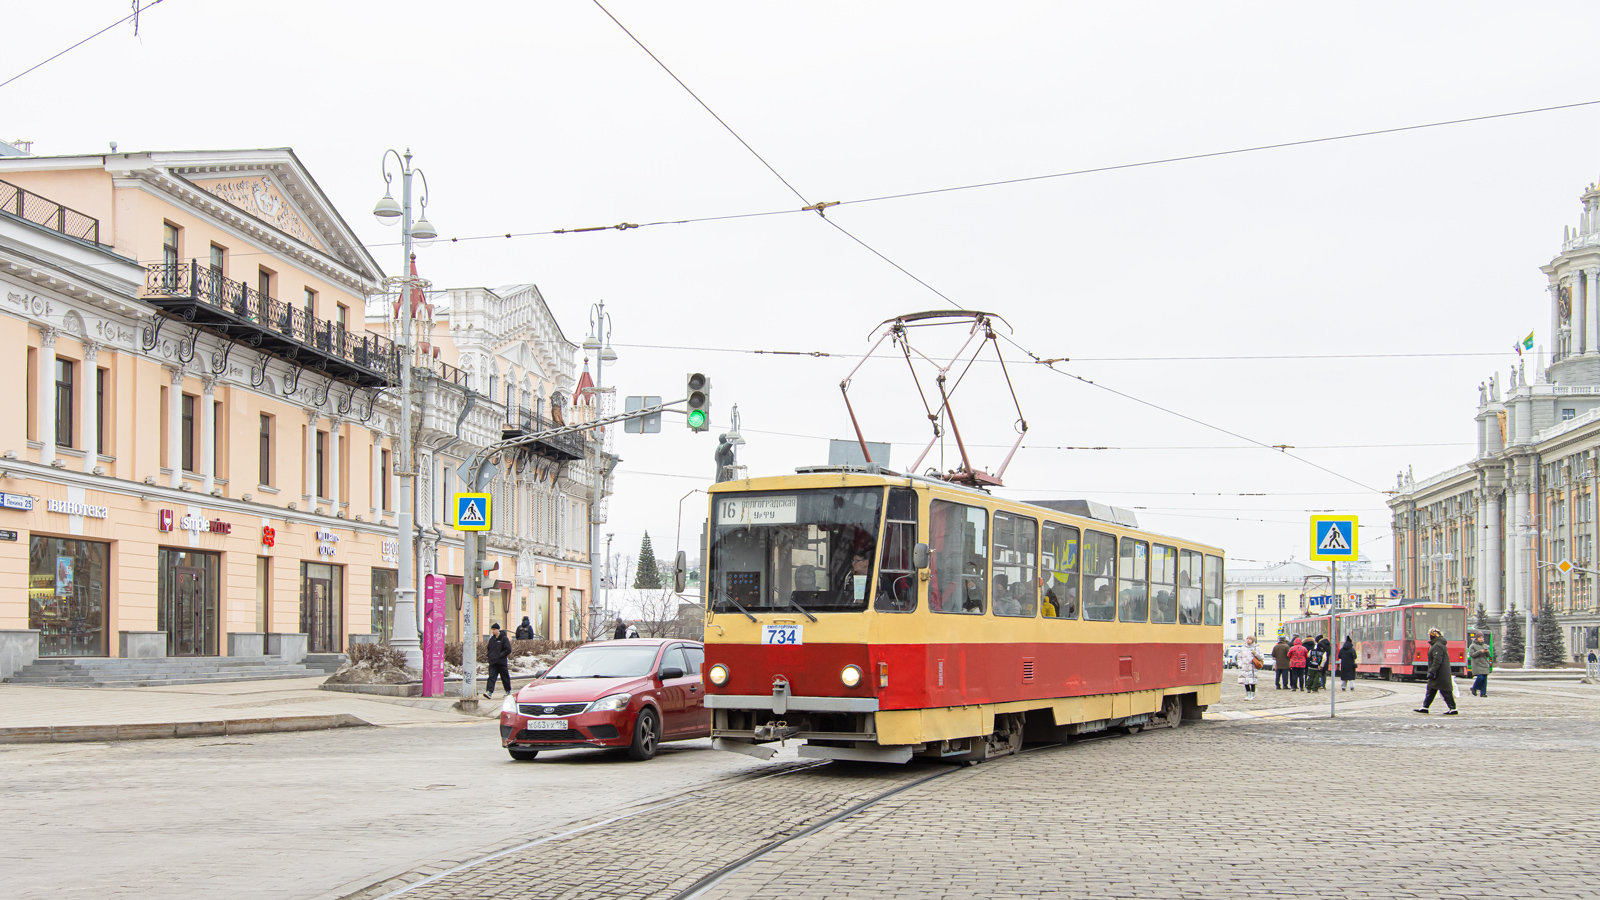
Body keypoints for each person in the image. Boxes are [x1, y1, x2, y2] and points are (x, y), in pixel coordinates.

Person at [1415, 627, 1459, 715]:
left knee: (1445, 691)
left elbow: (1437, 660)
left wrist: (1432, 671)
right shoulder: (1439, 644)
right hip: (1439, 672)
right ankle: (1425, 707)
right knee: (1431, 689)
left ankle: (1453, 708)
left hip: (1439, 673)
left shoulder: (1437, 646)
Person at [483, 623, 512, 700]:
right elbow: (489, 649)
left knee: (505, 677)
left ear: (498, 630)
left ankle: (508, 691)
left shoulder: (504, 639)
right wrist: (490, 657)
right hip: (493, 663)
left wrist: (500, 655)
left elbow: (508, 649)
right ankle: (489, 692)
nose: (493, 631)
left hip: (501, 663)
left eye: (494, 629)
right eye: (492, 629)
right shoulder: (492, 639)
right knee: (491, 677)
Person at [1236, 635, 1263, 700]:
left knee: (1252, 681)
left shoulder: (1256, 648)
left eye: (1250, 639)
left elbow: (1261, 657)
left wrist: (1255, 653)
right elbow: (1239, 657)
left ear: (1253, 640)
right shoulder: (1243, 648)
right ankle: (1248, 694)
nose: (1248, 640)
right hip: (1245, 667)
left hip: (1252, 667)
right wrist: (1240, 664)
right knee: (1246, 681)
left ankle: (1252, 695)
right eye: (1247, 638)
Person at [1468, 632, 1494, 697]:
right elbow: (1472, 655)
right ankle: (1474, 687)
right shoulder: (1473, 646)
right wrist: (1480, 652)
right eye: (1480, 638)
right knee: (1480, 677)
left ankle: (1483, 693)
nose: (1481, 639)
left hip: (1484, 663)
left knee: (1484, 679)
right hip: (1477, 664)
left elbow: (1488, 655)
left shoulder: (1485, 646)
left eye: (1482, 638)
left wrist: (1487, 651)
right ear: (1477, 638)